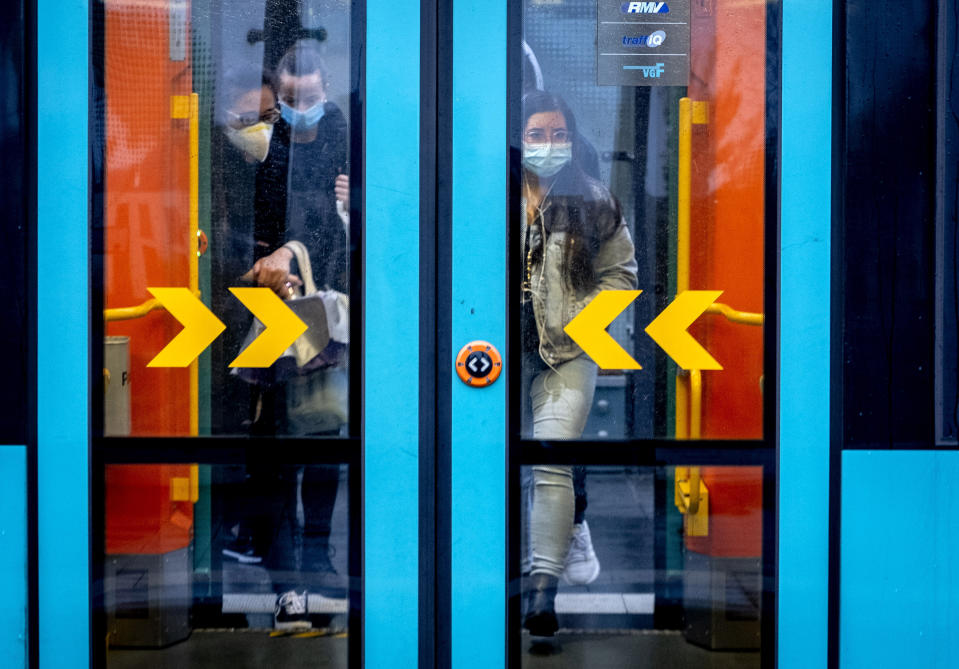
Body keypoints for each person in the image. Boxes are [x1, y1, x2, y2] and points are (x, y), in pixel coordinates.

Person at [519, 90, 638, 637]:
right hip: (495, 360)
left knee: (551, 460)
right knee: (504, 467)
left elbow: (623, 275)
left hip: (567, 356)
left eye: (558, 134)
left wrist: (582, 321)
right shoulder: (488, 195)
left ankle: (542, 591)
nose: (548, 145)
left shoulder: (592, 199)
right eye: (537, 134)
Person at [241, 41, 350, 631]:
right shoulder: (265, 145)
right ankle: (287, 587)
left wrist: (346, 213)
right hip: (266, 312)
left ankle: (317, 560)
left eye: (309, 98)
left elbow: (358, 231)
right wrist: (262, 257)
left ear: (326, 89)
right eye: (289, 100)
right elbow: (238, 220)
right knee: (277, 449)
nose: (298, 108)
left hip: (328, 309)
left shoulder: (347, 139)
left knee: (324, 432)